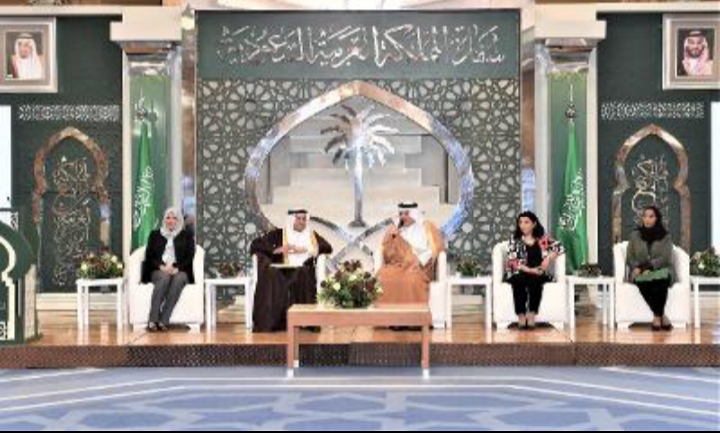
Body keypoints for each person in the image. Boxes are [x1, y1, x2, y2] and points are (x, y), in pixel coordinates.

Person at [249, 209, 333, 333]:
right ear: (291, 220)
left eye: (304, 219)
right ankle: (274, 322)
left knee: (303, 273)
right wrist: (277, 250)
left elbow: (327, 247)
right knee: (271, 275)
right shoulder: (278, 234)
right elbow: (255, 245)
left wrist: (306, 249)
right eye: (298, 219)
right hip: (281, 271)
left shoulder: (311, 235)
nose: (302, 222)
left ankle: (305, 322)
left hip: (302, 271)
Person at [376, 202, 445, 306]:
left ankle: (413, 313)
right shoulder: (394, 230)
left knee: (411, 280)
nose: (403, 216)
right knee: (382, 277)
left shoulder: (427, 227)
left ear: (414, 214)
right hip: (397, 266)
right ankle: (386, 313)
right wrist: (392, 237)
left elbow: (436, 248)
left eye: (406, 213)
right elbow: (387, 253)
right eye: (401, 213)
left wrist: (419, 260)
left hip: (419, 267)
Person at [504, 211, 564, 330]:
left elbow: (560, 247)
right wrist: (531, 270)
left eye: (526, 222)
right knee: (518, 280)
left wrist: (548, 258)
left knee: (536, 280)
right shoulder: (515, 240)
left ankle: (531, 313)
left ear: (534, 224)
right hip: (520, 271)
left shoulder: (542, 239)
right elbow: (513, 261)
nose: (522, 225)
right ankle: (521, 315)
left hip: (538, 272)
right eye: (520, 222)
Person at [141, 208, 196, 332]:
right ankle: (153, 319)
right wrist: (162, 266)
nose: (170, 221)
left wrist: (177, 268)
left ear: (179, 220)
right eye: (168, 218)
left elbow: (190, 255)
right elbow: (149, 255)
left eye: (174, 218)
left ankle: (163, 320)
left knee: (179, 279)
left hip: (180, 270)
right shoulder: (155, 234)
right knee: (164, 277)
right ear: (164, 219)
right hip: (158, 269)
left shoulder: (186, 235)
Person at [626, 205, 675, 332]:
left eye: (651, 216)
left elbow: (665, 257)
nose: (647, 219)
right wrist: (638, 269)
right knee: (643, 281)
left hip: (662, 269)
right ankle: (661, 316)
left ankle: (657, 317)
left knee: (660, 282)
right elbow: (630, 256)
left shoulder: (666, 236)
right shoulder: (635, 235)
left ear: (657, 218)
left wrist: (648, 267)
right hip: (640, 271)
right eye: (645, 216)